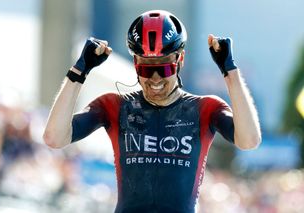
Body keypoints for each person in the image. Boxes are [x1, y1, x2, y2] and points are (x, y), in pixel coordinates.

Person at [43, 10, 261, 213]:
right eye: (147, 67)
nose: (155, 78)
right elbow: (54, 137)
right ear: (135, 63)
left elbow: (249, 140)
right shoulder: (114, 106)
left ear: (180, 60)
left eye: (164, 66)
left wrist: (230, 72)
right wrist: (80, 70)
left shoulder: (205, 108)